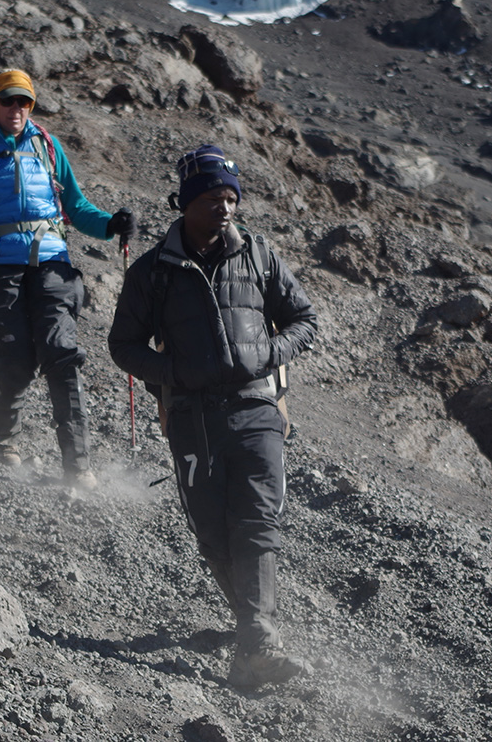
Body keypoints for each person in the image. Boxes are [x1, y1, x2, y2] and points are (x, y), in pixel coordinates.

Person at [108, 144, 318, 689]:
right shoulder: (154, 271)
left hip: (256, 408)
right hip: (192, 418)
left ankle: (257, 639)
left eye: (230, 197)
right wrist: (172, 372)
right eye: (212, 198)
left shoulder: (259, 255)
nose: (224, 208)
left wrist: (268, 356)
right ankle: (254, 631)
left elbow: (304, 319)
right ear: (186, 202)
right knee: (211, 532)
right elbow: (122, 344)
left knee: (257, 520)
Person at [0, 69, 136, 488]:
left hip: (52, 263)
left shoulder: (47, 146)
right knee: (14, 362)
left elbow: (76, 208)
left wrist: (110, 224)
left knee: (62, 354)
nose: (17, 109)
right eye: (8, 100)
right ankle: (4, 438)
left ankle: (78, 467)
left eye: (24, 101)